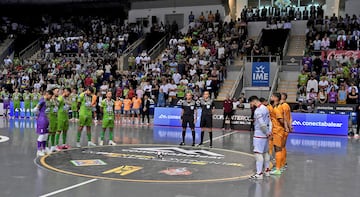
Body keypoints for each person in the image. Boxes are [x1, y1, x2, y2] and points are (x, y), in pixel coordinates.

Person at [248, 96, 272, 179]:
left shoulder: (258, 110)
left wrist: (266, 132)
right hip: (266, 134)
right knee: (266, 152)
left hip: (259, 134)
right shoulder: (266, 108)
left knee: (258, 153)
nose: (251, 105)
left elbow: (262, 124)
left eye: (251, 103)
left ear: (253, 101)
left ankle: (259, 173)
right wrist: (269, 132)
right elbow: (270, 121)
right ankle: (267, 171)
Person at [269, 92, 287, 175]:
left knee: (278, 149)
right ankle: (279, 167)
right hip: (277, 130)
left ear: (276, 98)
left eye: (272, 96)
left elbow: (281, 120)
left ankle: (278, 169)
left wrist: (285, 127)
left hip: (278, 131)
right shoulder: (275, 107)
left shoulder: (276, 109)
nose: (271, 97)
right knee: (278, 149)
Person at [33, 90, 54, 157]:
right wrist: (38, 116)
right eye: (50, 96)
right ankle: (39, 150)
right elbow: (35, 109)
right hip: (42, 120)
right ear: (47, 94)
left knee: (46, 135)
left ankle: (44, 149)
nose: (51, 97)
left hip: (46, 120)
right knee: (42, 135)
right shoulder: (42, 100)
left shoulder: (47, 101)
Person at [280, 93, 292, 171]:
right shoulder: (287, 105)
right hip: (285, 128)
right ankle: (282, 162)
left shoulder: (283, 106)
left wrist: (287, 127)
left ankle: (282, 163)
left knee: (281, 146)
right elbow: (290, 117)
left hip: (283, 128)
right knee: (282, 146)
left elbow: (285, 118)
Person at [48, 87, 59, 152]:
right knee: (49, 132)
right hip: (50, 118)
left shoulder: (56, 100)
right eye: (57, 91)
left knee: (54, 132)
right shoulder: (49, 100)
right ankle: (46, 147)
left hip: (55, 117)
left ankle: (53, 146)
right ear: (53, 92)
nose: (58, 92)